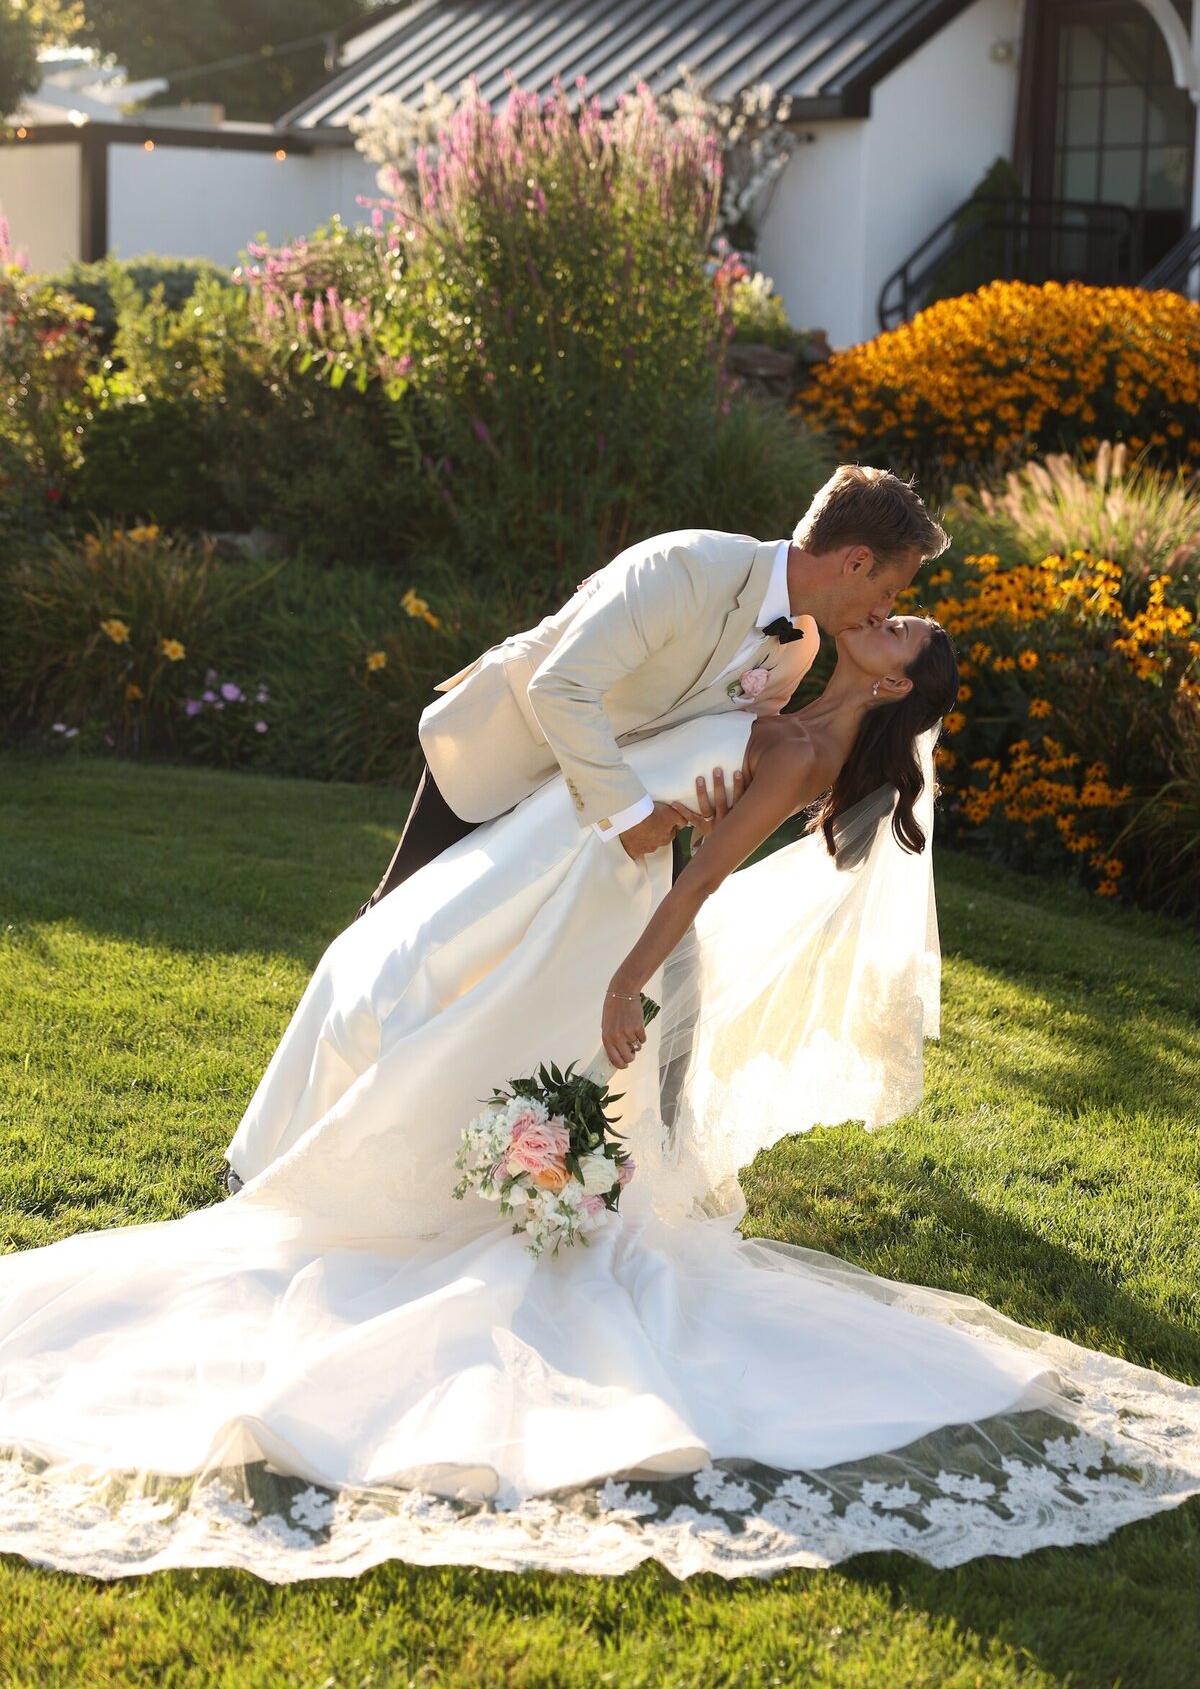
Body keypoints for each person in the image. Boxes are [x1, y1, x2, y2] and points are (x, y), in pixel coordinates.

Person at [2, 612, 1199, 1584]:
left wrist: (629, 979)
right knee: (575, 1114)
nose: (876, 624)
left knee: (578, 1126)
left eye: (896, 633)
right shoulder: (786, 716)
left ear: (892, 690)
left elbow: (702, 883)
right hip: (626, 921)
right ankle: (517, 1184)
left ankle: (507, 1200)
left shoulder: (794, 750)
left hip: (641, 947)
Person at [354, 463, 948, 914]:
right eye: (890, 591)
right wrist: (630, 814)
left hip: (578, 806)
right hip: (505, 744)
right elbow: (559, 687)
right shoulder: (685, 568)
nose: (883, 609)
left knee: (484, 943)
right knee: (399, 912)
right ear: (856, 562)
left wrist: (722, 805)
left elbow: (718, 739)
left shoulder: (799, 648)